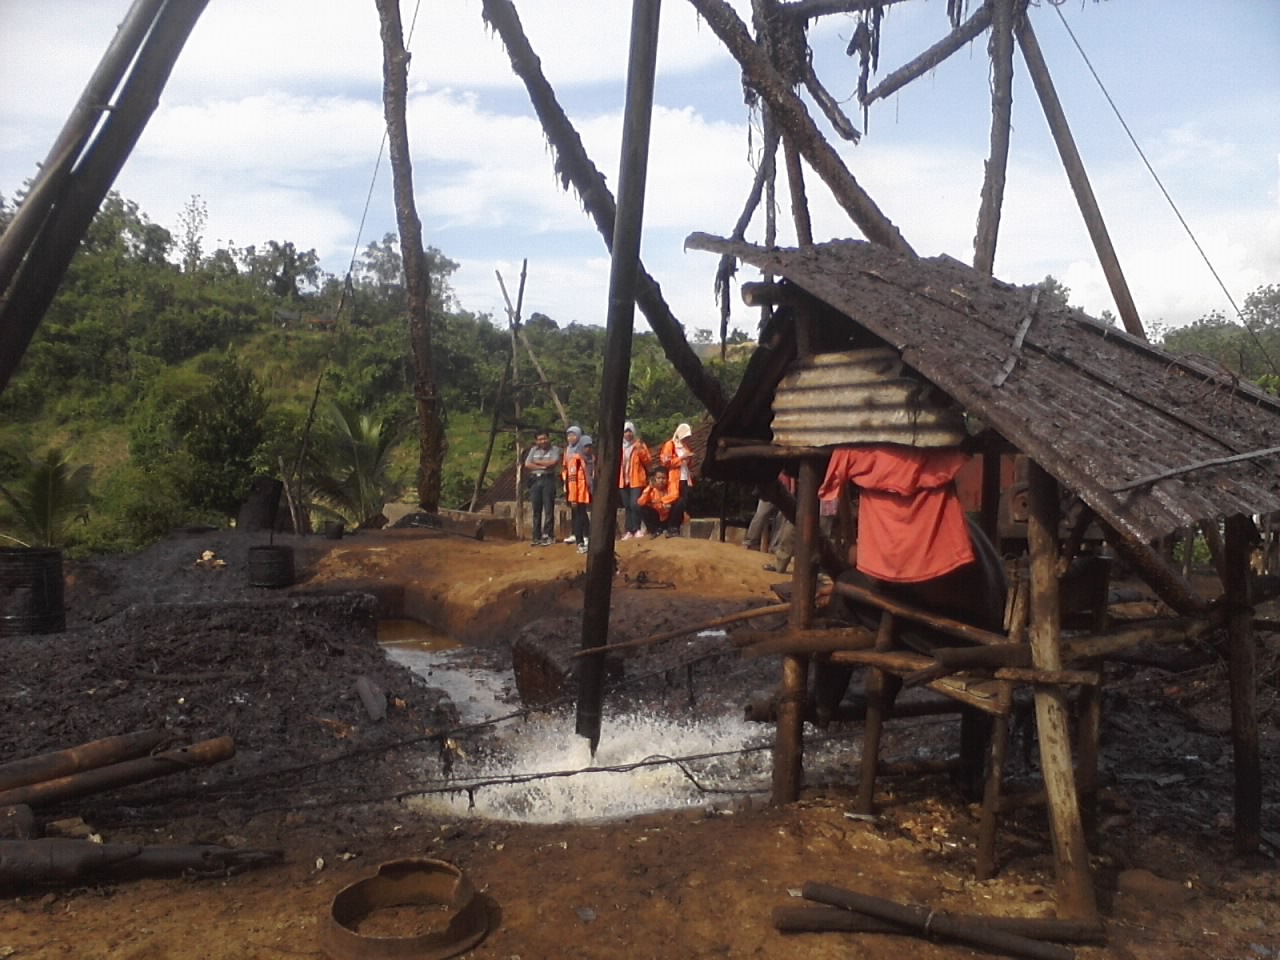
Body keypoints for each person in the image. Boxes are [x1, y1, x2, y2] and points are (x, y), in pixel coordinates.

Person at [523, 429, 560, 547]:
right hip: (535, 480)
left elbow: (553, 463)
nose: (543, 441)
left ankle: (548, 535)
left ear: (549, 438)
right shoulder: (533, 450)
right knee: (536, 509)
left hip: (548, 479)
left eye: (544, 438)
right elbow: (527, 464)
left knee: (548, 508)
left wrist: (537, 463)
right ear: (536, 441)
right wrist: (544, 465)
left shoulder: (554, 449)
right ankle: (536, 536)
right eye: (540, 439)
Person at [618, 420, 651, 540]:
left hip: (636, 479)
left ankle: (637, 528)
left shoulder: (639, 445)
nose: (628, 434)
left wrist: (639, 450)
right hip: (623, 480)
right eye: (625, 432)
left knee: (635, 504)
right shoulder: (619, 446)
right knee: (627, 505)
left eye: (630, 431)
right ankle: (629, 530)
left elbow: (648, 460)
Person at [565, 435, 595, 555]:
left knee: (584, 516)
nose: (588, 449)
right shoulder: (575, 460)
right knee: (578, 518)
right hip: (578, 494)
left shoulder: (592, 459)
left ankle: (587, 537)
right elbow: (572, 481)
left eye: (590, 446)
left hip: (588, 493)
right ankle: (579, 542)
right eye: (585, 446)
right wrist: (573, 498)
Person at [637, 466, 681, 538]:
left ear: (667, 479)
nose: (661, 480)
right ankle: (654, 531)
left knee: (679, 502)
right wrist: (649, 488)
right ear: (655, 479)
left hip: (669, 516)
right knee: (642, 508)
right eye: (658, 478)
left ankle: (672, 529)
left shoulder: (671, 485)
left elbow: (675, 495)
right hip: (657, 517)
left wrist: (661, 501)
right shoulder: (651, 489)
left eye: (663, 478)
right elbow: (640, 502)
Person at [561, 425, 583, 543]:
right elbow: (565, 467)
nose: (571, 438)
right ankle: (575, 532)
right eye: (569, 435)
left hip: (580, 483)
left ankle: (585, 534)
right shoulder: (568, 450)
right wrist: (565, 480)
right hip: (570, 482)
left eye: (573, 435)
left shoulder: (582, 448)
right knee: (573, 509)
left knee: (581, 509)